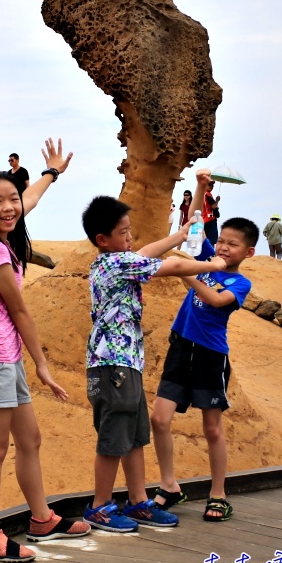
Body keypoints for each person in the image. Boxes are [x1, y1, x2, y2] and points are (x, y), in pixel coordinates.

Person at [0, 140, 90, 563]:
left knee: (30, 439)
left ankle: (42, 518)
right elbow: (20, 309)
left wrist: (52, 173)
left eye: (12, 199)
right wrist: (43, 366)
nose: (10, 207)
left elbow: (25, 199)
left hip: (3, 358)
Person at [79, 195, 225, 533]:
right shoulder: (114, 264)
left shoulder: (116, 260)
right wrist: (212, 266)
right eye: (124, 232)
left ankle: (137, 502)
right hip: (111, 365)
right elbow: (170, 267)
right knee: (114, 437)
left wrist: (181, 233)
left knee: (133, 436)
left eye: (130, 230)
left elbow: (147, 252)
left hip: (125, 365)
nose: (130, 237)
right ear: (103, 239)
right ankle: (99, 507)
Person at [150, 169, 257, 523]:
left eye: (232, 244)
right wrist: (199, 188)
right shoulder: (208, 256)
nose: (224, 247)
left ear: (249, 251)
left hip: (211, 355)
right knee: (159, 418)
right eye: (222, 241)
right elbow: (195, 224)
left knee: (212, 428)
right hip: (181, 346)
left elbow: (213, 299)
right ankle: (169, 486)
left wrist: (185, 271)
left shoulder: (239, 282)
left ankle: (218, 494)